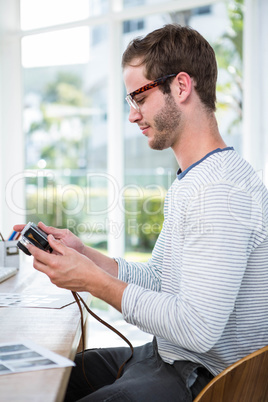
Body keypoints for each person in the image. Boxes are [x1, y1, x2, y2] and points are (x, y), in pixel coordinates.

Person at [14, 24, 268, 402]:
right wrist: (87, 257)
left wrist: (92, 282)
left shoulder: (220, 191)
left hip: (204, 381)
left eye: (139, 97)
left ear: (181, 87)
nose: (133, 115)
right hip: (166, 356)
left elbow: (197, 329)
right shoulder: (194, 179)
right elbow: (158, 280)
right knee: (51, 374)